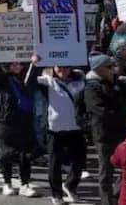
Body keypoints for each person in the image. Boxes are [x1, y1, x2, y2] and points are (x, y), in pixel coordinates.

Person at [81, 54, 126, 205]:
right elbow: (100, 111)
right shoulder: (91, 87)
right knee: (107, 169)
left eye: (113, 66)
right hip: (104, 133)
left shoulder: (117, 83)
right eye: (109, 67)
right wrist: (122, 114)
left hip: (122, 132)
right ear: (98, 69)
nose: (113, 69)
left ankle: (117, 193)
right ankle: (106, 200)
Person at [0, 47, 40, 197]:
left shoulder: (26, 78)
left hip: (24, 122)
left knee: (25, 155)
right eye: (14, 63)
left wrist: (36, 63)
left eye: (20, 63)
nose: (18, 66)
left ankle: (24, 184)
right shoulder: (2, 81)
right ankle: (7, 183)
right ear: (8, 66)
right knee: (6, 154)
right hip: (6, 122)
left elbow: (33, 74)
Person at [37, 62, 87, 205]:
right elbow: (28, 82)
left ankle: (70, 186)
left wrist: (82, 73)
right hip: (55, 129)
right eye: (59, 67)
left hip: (76, 128)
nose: (62, 70)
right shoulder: (48, 81)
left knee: (79, 162)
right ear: (53, 67)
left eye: (66, 67)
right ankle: (56, 194)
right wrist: (37, 64)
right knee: (55, 163)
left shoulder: (80, 81)